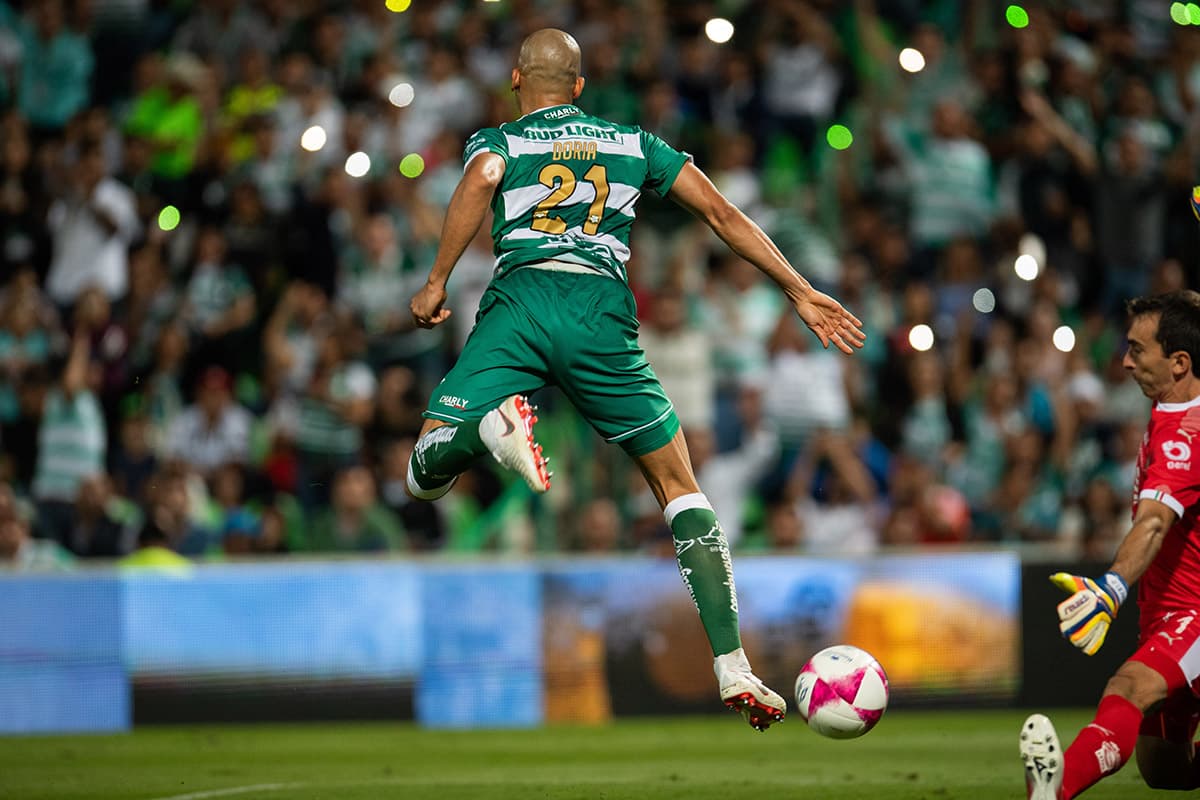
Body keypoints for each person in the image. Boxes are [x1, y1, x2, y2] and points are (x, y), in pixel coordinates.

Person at [405, 28, 865, 731]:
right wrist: (798, 288)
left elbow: (482, 180)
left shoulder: (500, 139)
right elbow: (720, 213)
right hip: (600, 315)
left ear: (515, 80)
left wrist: (437, 280)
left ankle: (485, 428)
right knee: (680, 486)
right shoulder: (631, 142)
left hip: (523, 301)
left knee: (422, 471)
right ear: (581, 87)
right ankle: (732, 663)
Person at [1022, 290, 1200, 798]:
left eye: (1138, 350)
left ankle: (1052, 790)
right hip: (1165, 613)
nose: (1125, 362)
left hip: (1194, 613)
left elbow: (1153, 524)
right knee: (1166, 771)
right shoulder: (1174, 409)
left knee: (1127, 689)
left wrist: (1111, 589)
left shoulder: (1185, 435)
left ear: (1179, 362)